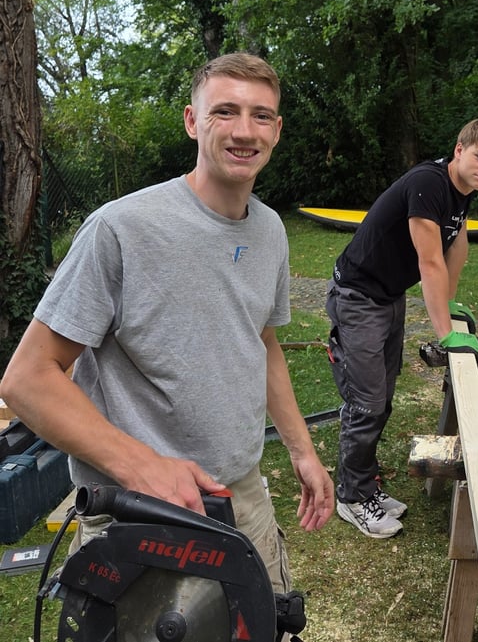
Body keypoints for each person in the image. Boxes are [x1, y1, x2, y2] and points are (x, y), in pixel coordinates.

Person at [0, 52, 334, 597]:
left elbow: (264, 341)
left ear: (277, 129)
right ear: (190, 121)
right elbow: (27, 378)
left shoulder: (271, 229)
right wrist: (142, 467)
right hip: (136, 511)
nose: (244, 131)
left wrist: (302, 451)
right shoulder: (120, 229)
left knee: (261, 623)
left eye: (261, 115)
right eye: (224, 112)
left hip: (240, 493)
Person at [326, 116, 478, 538]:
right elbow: (429, 261)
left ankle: (365, 483)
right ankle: (352, 497)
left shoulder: (462, 191)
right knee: (367, 403)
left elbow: (456, 246)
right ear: (460, 149)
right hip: (357, 297)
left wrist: (448, 303)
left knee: (382, 398)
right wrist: (445, 331)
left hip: (387, 296)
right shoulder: (429, 183)